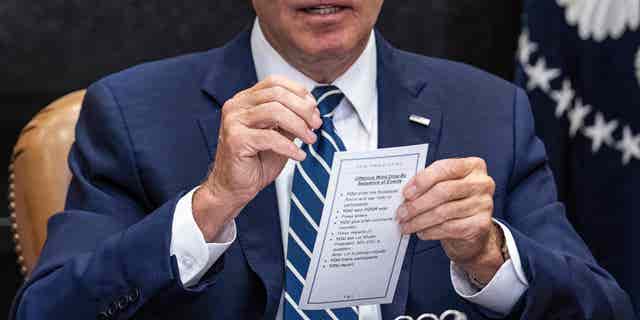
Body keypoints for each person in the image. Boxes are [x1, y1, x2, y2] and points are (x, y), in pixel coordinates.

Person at [10, 1, 635, 319]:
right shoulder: (132, 113)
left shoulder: (490, 112)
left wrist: (491, 256)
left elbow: (606, 310)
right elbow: (46, 311)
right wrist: (207, 208)